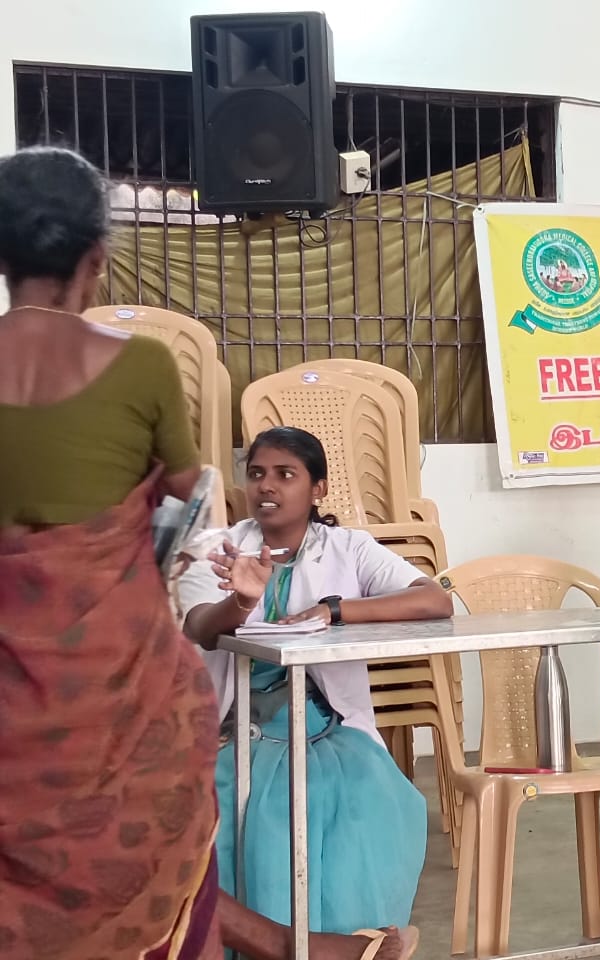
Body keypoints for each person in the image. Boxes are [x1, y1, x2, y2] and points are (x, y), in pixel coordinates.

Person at [0, 146, 223, 959]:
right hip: (122, 708)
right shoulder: (144, 366)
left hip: (9, 731)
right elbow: (188, 494)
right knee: (168, 856)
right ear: (96, 260)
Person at [180, 426, 453, 960]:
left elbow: (433, 601)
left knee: (370, 801)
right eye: (257, 474)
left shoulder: (349, 548)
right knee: (258, 810)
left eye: (286, 474)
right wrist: (242, 600)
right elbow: (200, 627)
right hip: (236, 730)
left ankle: (345, 944)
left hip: (326, 727)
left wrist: (336, 609)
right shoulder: (217, 549)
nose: (267, 486)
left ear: (318, 488)